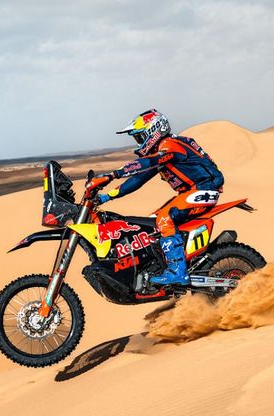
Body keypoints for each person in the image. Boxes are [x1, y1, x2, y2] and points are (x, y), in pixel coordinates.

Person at [96, 109, 224, 286]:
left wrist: (113, 174)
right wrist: (106, 197)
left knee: (164, 219)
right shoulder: (163, 151)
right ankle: (165, 264)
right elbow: (138, 179)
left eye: (140, 137)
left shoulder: (170, 145)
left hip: (204, 189)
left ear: (154, 130)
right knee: (153, 222)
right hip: (191, 193)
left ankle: (177, 271)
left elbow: (146, 163)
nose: (139, 142)